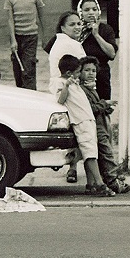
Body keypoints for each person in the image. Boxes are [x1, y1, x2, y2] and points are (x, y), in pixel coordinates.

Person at [49, 54, 115, 196]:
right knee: (90, 153)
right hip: (81, 121)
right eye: (79, 71)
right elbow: (60, 100)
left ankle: (91, 185)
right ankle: (100, 184)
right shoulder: (59, 82)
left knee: (90, 152)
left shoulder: (75, 83)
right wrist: (66, 85)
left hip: (87, 120)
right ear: (68, 73)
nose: (80, 75)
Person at [45, 0, 117, 100]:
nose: (91, 12)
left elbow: (112, 54)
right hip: (77, 81)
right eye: (87, 10)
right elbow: (54, 53)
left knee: (102, 108)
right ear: (80, 12)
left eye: (94, 9)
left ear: (99, 11)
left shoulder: (105, 29)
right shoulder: (71, 32)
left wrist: (96, 35)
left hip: (100, 78)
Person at [79, 56, 130, 194]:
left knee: (106, 152)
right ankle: (112, 180)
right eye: (87, 70)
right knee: (106, 153)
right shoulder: (82, 91)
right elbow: (90, 109)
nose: (91, 73)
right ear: (80, 72)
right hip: (96, 128)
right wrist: (104, 104)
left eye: (93, 71)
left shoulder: (91, 89)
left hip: (102, 127)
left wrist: (106, 107)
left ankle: (104, 180)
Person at [48, 11, 87, 183]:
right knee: (81, 129)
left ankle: (74, 167)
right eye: (72, 24)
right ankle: (77, 168)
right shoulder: (71, 45)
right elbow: (83, 69)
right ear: (62, 27)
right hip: (69, 89)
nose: (77, 27)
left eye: (79, 23)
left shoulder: (59, 41)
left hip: (59, 88)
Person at [4, 0, 45, 90]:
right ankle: (21, 95)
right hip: (17, 37)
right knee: (18, 69)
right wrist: (13, 40)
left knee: (28, 69)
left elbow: (41, 16)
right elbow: (10, 20)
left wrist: (44, 36)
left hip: (31, 37)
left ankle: (32, 96)